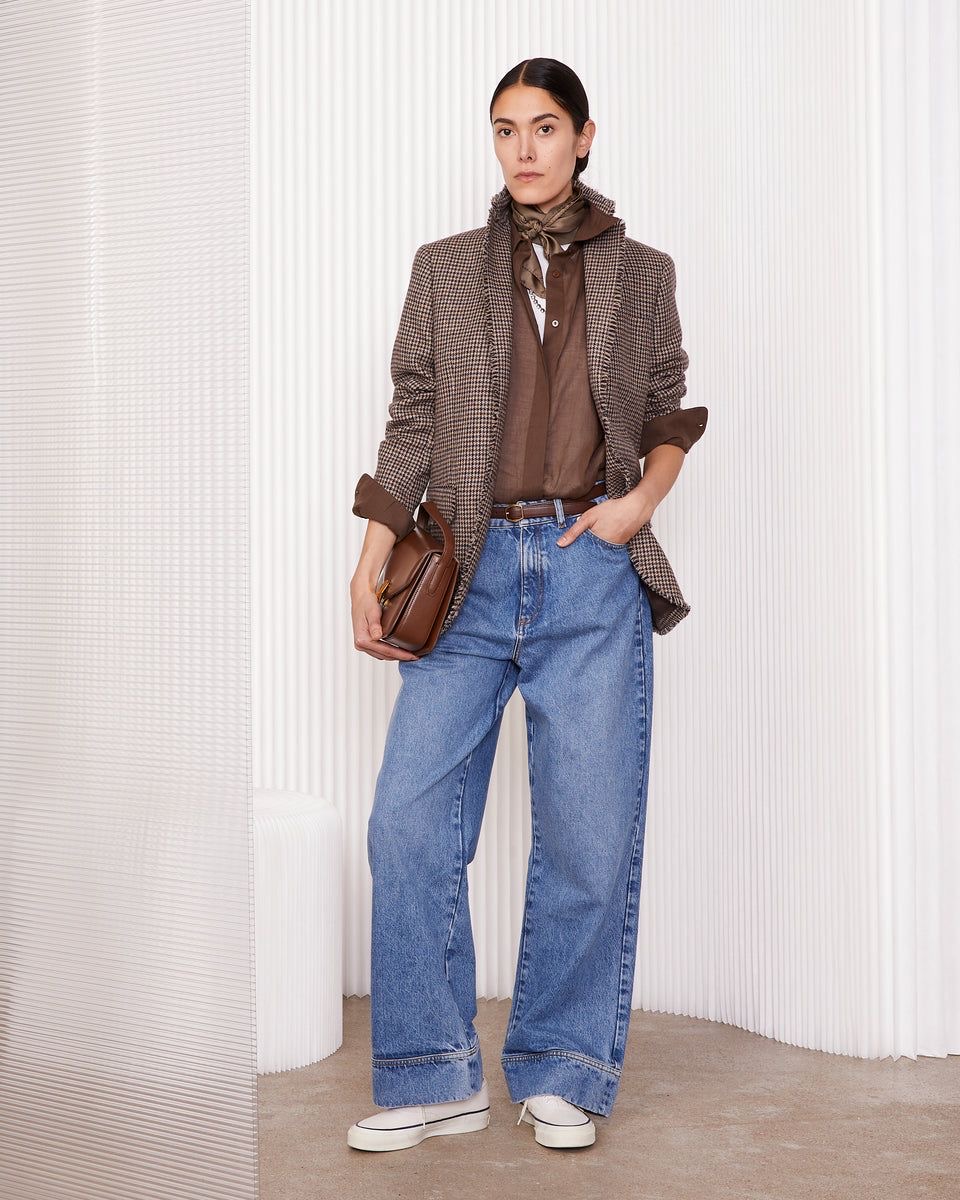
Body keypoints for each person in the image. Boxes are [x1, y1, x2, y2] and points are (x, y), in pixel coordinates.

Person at [346, 56, 708, 1153]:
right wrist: (371, 555)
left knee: (588, 837)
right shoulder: (446, 269)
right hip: (465, 572)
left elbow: (667, 411)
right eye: (505, 129)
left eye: (544, 127)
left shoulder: (641, 273)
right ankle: (432, 1074)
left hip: (588, 563)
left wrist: (636, 507)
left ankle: (561, 1067)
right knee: (408, 822)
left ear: (584, 137)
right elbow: (414, 417)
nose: (523, 148)